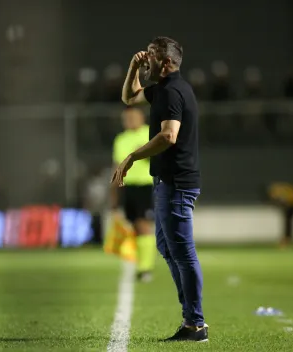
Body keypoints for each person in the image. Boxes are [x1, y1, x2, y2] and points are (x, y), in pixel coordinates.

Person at [111, 36, 208, 342]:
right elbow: (130, 98)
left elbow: (169, 136)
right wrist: (133, 69)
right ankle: (191, 320)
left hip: (177, 183)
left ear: (166, 63)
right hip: (167, 182)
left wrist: (132, 156)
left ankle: (195, 324)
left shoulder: (172, 91)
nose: (146, 59)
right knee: (168, 249)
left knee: (183, 252)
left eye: (151, 56)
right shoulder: (167, 89)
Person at [111, 107, 156, 282]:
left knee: (143, 223)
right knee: (135, 226)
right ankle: (141, 263)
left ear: (141, 117)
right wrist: (114, 193)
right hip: (127, 186)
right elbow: (117, 165)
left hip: (145, 185)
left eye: (132, 117)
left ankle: (145, 268)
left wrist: (146, 153)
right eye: (126, 118)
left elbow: (163, 157)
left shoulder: (151, 135)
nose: (129, 120)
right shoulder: (121, 139)